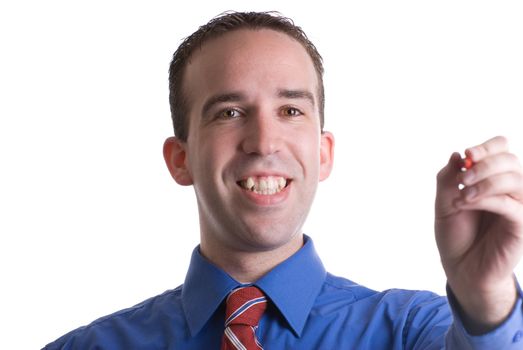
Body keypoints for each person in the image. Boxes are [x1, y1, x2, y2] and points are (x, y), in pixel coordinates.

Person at [43, 11, 523, 349]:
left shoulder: (417, 332)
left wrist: (486, 297)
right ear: (180, 160)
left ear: (323, 153)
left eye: (291, 110)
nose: (264, 141)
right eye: (229, 112)